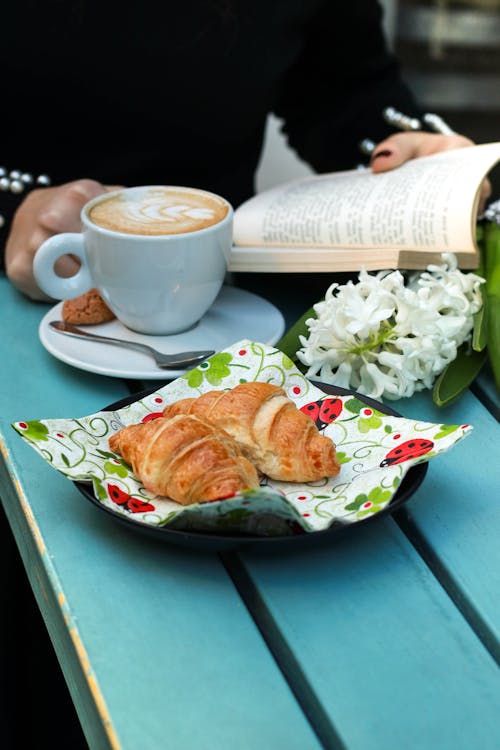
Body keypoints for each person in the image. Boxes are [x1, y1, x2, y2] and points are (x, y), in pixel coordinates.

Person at [1, 0, 487, 301]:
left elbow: (343, 89)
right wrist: (11, 215)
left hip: (221, 299)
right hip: (23, 292)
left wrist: (414, 156)